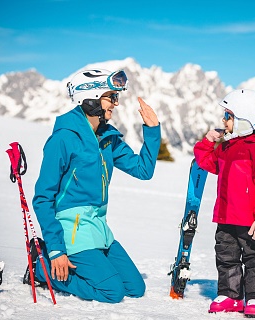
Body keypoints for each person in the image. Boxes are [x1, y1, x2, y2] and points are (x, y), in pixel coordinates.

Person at [30, 68, 161, 303]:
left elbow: (143, 170)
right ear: (90, 97)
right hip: (73, 231)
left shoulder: (106, 138)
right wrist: (56, 249)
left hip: (99, 227)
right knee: (112, 292)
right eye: (111, 97)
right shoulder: (64, 139)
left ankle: (75, 261)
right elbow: (42, 198)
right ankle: (40, 268)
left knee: (135, 287)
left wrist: (152, 130)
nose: (116, 103)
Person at [193, 89, 255, 317]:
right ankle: (231, 296)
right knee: (226, 256)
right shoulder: (227, 146)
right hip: (225, 217)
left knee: (254, 259)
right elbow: (206, 163)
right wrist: (207, 142)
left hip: (250, 220)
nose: (224, 121)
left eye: (229, 116)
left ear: (245, 121)